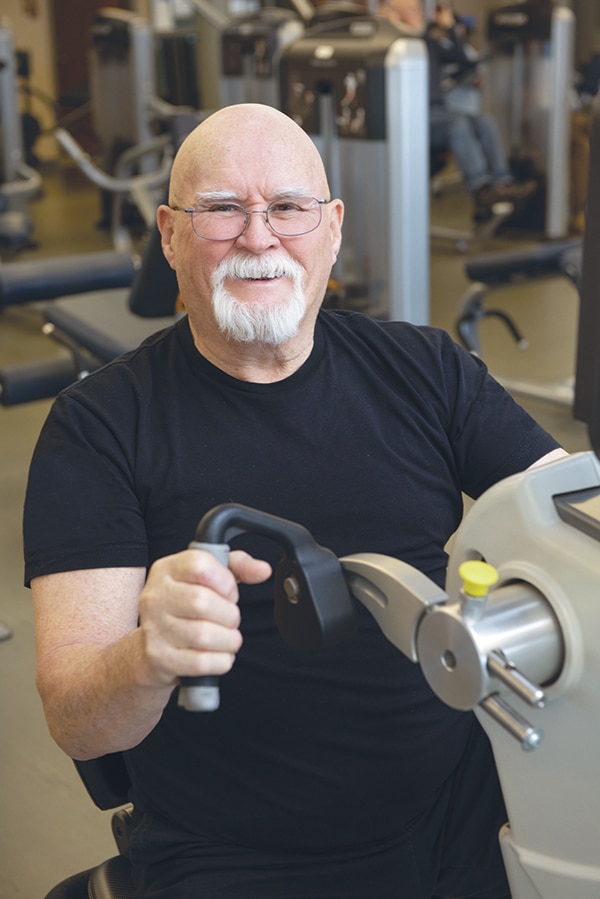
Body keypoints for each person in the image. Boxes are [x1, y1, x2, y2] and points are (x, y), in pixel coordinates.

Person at [24, 103, 564, 898]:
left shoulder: (425, 367)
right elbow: (75, 716)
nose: (258, 236)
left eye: (287, 207)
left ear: (332, 227)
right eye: (221, 210)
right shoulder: (99, 425)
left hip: (469, 807)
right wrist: (149, 656)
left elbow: (571, 513)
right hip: (241, 851)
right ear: (169, 235)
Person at [378, 0, 536, 222]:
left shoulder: (427, 42)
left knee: (485, 121)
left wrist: (450, 26)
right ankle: (481, 190)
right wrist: (390, 25)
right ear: (394, 13)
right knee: (458, 124)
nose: (421, 15)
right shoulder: (390, 43)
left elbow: (464, 61)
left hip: (437, 112)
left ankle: (502, 183)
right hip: (410, 117)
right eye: (413, 11)